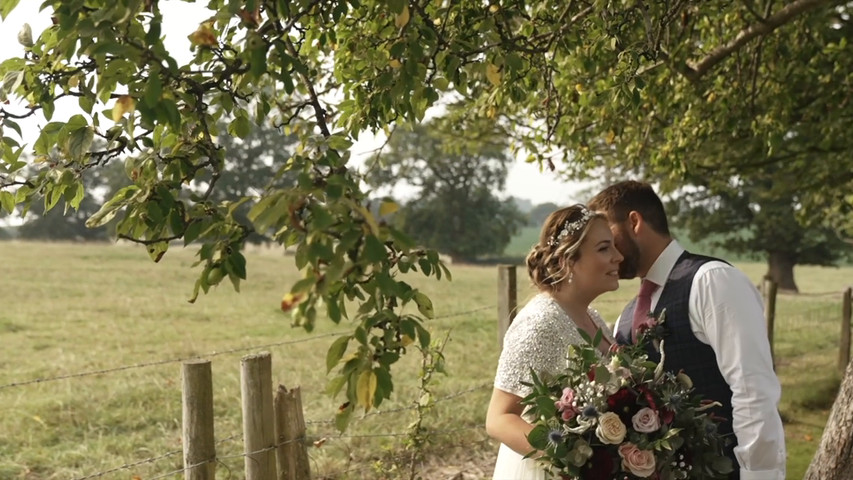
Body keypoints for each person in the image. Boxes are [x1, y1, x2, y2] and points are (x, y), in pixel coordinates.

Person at [588, 181, 786, 480]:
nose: (610, 253)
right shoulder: (626, 316)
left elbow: (753, 391)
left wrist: (760, 475)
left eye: (609, 238)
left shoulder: (713, 282)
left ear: (634, 221)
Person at [486, 204, 624, 480]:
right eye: (604, 248)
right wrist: (571, 461)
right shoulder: (539, 323)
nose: (618, 257)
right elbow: (499, 419)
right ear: (568, 260)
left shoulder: (592, 316)